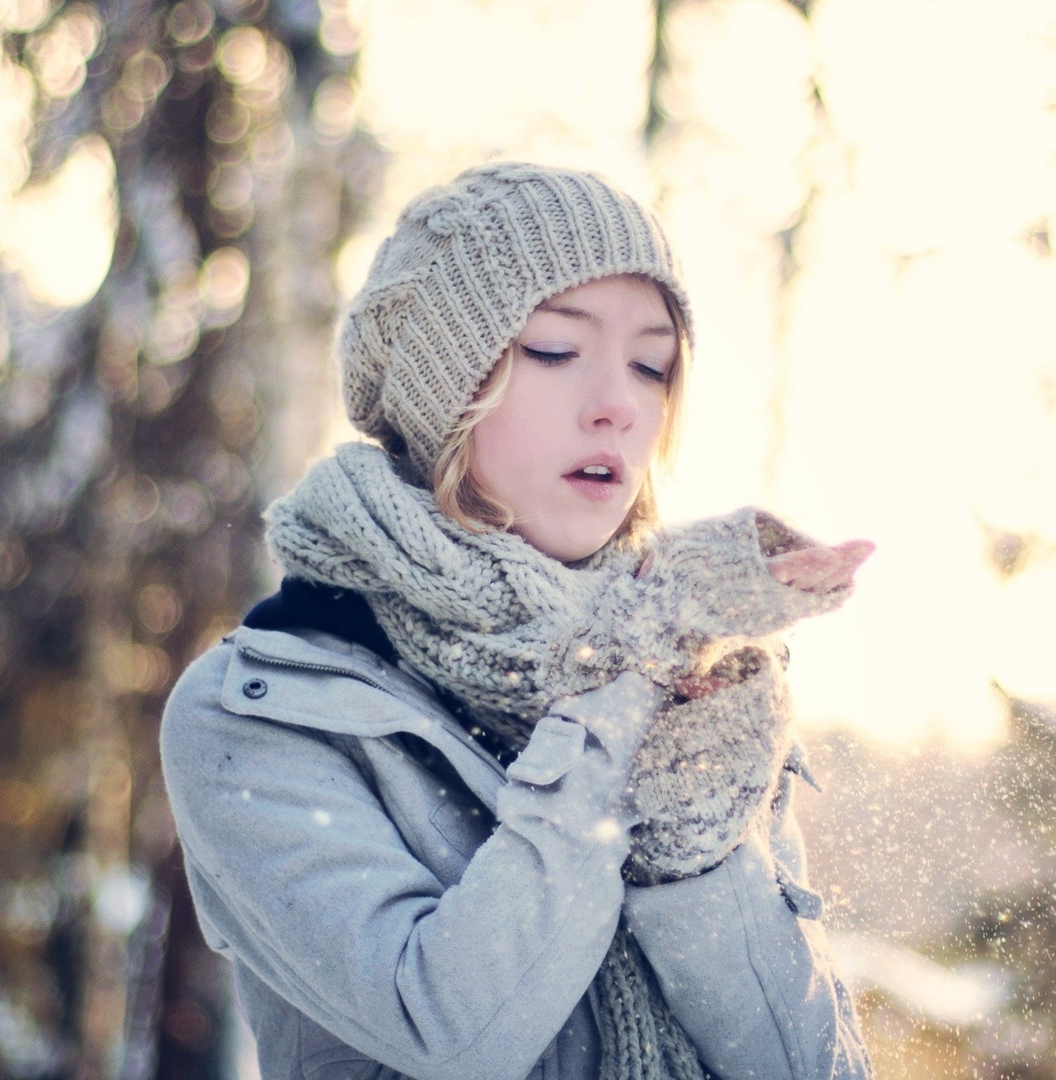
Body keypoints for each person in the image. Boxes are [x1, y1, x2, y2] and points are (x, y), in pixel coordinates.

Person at [160, 161, 877, 1080]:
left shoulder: (698, 690)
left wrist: (694, 847)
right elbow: (453, 1032)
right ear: (439, 388)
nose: (619, 404)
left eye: (651, 364)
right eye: (552, 349)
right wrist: (618, 689)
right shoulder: (259, 713)